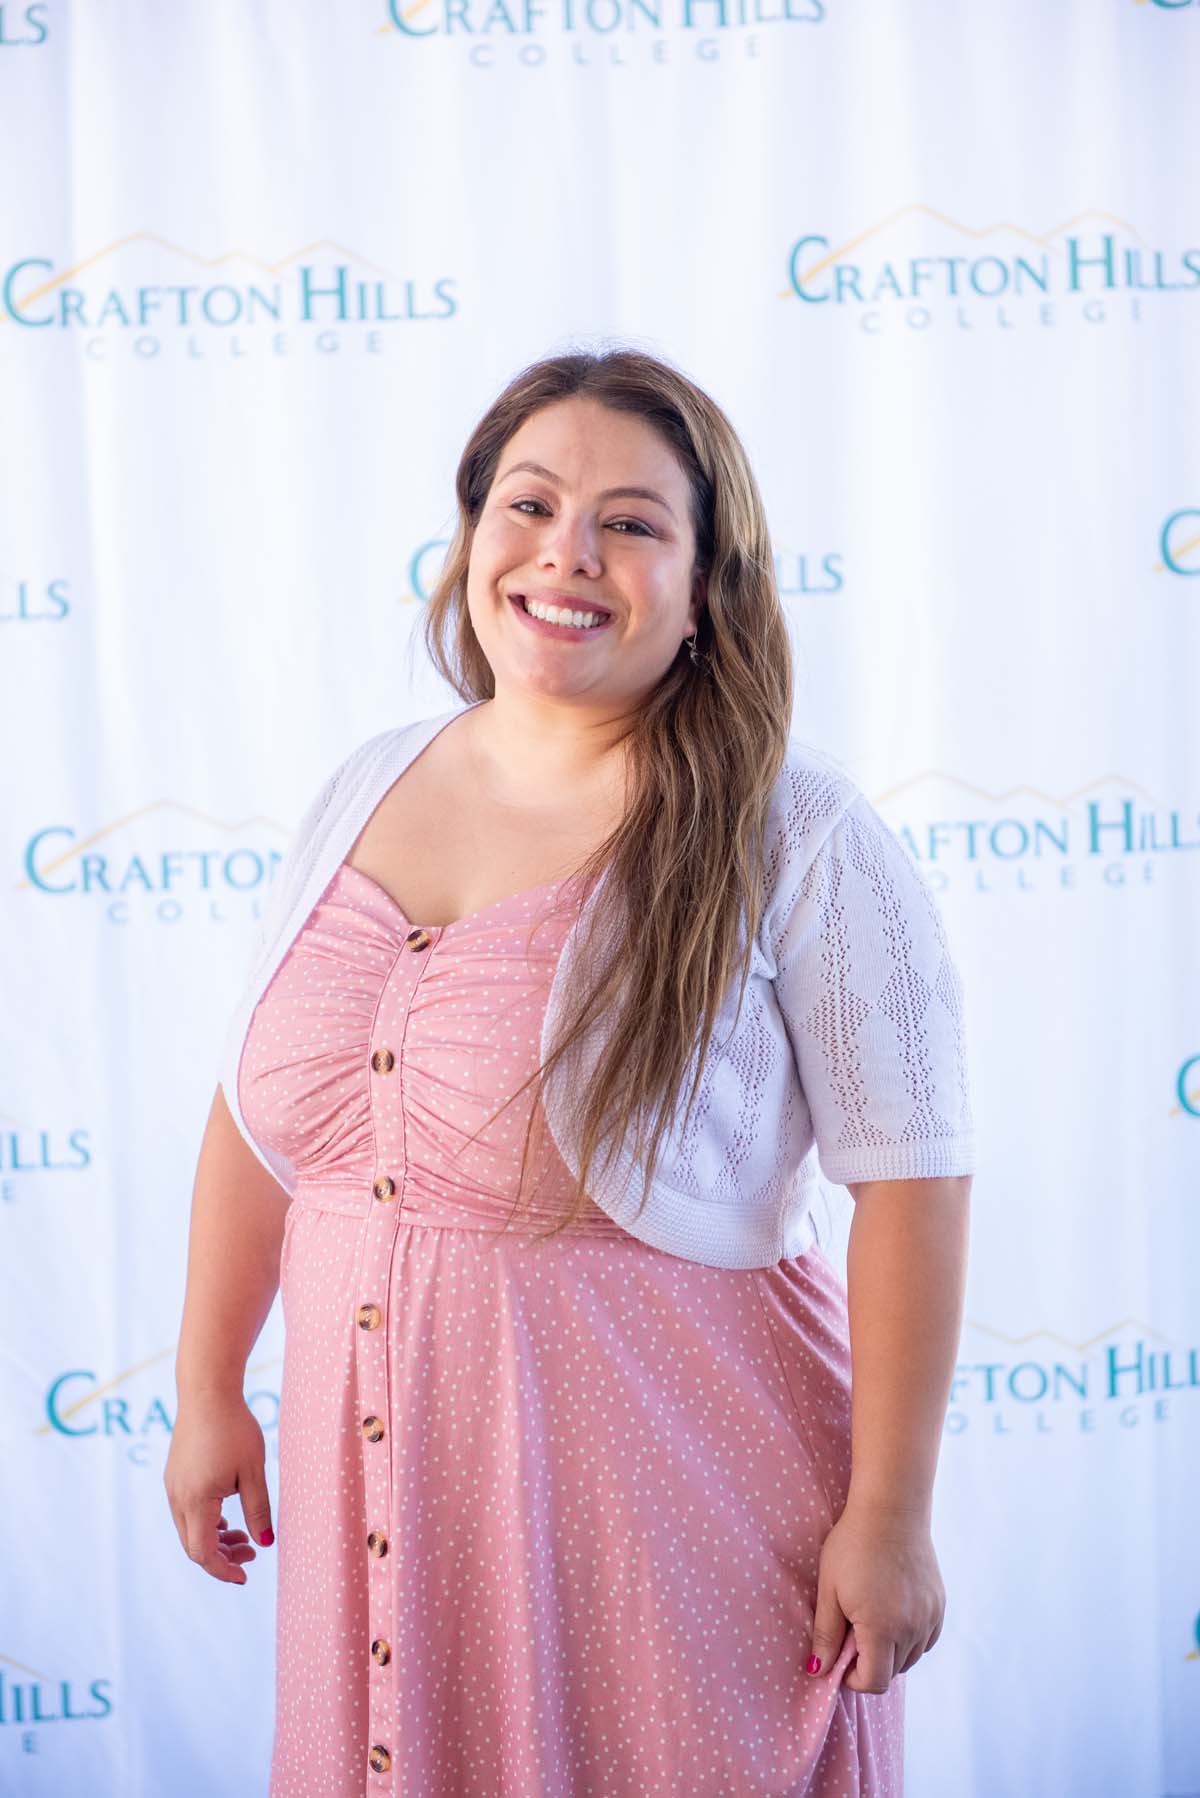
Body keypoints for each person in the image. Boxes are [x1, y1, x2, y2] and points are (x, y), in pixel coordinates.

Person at [165, 346, 975, 1796]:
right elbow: (260, 1119)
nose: (567, 554)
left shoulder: (799, 835)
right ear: (472, 536)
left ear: (711, 578)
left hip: (674, 1522)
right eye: (528, 505)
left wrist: (894, 1512)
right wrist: (207, 1381)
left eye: (633, 521)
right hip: (396, 1507)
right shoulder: (363, 784)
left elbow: (911, 1177)